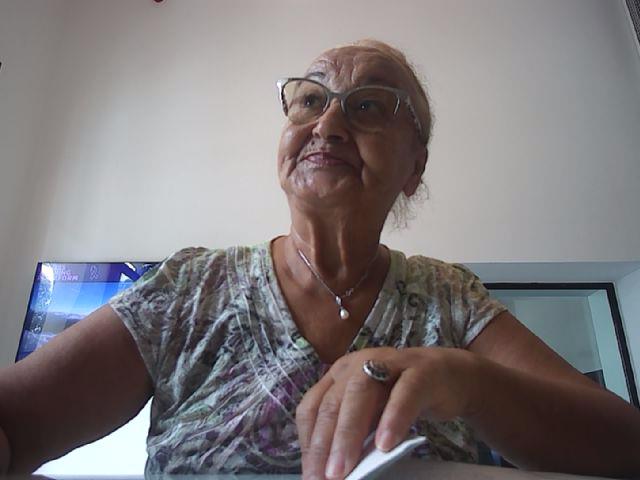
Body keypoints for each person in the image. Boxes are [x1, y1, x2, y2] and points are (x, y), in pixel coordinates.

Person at [1, 39, 639, 479]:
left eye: (369, 106)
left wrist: (464, 379)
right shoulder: (191, 287)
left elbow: (625, 447)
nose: (328, 125)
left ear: (414, 167)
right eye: (310, 100)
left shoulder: (449, 298)